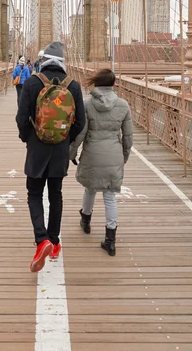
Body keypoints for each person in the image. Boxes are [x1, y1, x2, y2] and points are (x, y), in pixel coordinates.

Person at [16, 41, 85, 272]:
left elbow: (21, 118)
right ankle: (54, 243)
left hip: (37, 148)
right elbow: (81, 123)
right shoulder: (73, 86)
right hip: (60, 150)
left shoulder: (33, 82)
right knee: (55, 194)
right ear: (63, 61)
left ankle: (41, 239)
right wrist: (66, 140)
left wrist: (29, 138)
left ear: (43, 59)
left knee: (34, 193)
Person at [69, 68, 133, 257]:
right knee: (110, 196)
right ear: (114, 84)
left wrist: (71, 153)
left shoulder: (87, 104)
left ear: (96, 83)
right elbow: (128, 137)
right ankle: (110, 241)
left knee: (90, 188)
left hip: (92, 153)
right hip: (114, 154)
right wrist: (124, 157)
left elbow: (80, 133)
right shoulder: (123, 105)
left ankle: (86, 221)